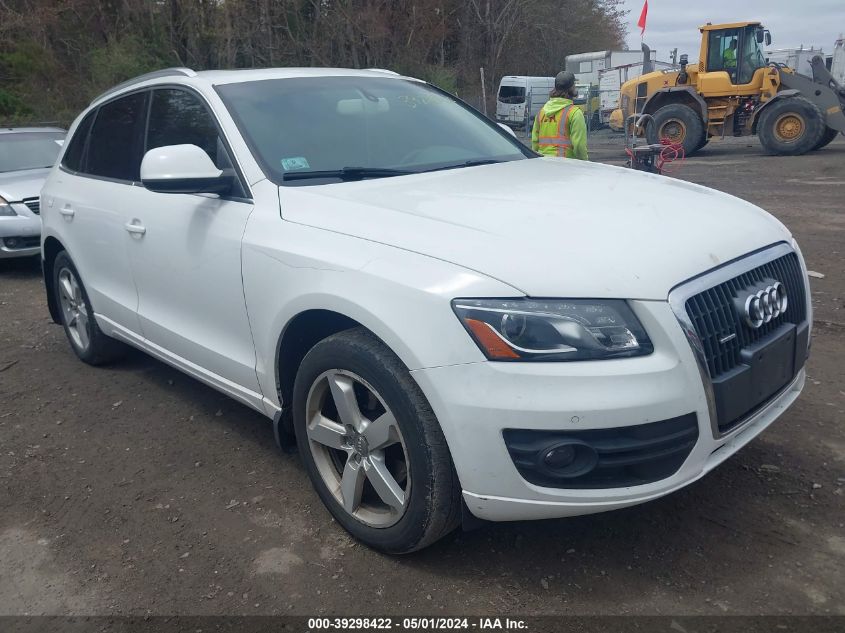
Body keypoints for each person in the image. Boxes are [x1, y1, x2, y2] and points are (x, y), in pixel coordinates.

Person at [531, 71, 588, 160]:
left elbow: (535, 142)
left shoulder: (541, 112)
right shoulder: (575, 113)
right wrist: (585, 163)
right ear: (572, 87)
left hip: (543, 164)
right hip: (565, 166)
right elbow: (579, 146)